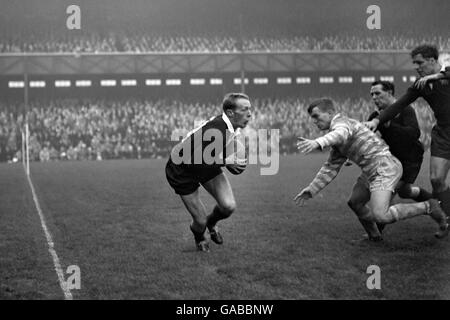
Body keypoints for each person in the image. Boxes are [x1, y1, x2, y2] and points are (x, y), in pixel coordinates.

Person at [294, 98, 448, 240]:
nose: (314, 121)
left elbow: (341, 133)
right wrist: (312, 189)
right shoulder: (336, 141)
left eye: (316, 116)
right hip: (371, 171)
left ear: (330, 113)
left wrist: (318, 142)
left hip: (385, 167)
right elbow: (331, 167)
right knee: (355, 202)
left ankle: (428, 206)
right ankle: (374, 236)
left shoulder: (342, 123)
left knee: (381, 215)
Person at [365, 45, 450, 217]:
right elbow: (399, 104)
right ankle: (447, 217)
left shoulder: (445, 74)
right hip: (443, 133)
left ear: (432, 60)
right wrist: (377, 120)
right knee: (436, 179)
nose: (416, 67)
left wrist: (438, 75)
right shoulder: (421, 84)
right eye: (414, 63)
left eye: (419, 63)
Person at [166, 93, 251, 252]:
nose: (249, 113)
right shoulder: (218, 127)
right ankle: (199, 236)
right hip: (182, 169)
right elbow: (195, 158)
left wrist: (234, 156)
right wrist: (227, 161)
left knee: (228, 206)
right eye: (244, 109)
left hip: (205, 162)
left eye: (250, 109)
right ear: (231, 113)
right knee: (200, 221)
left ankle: (212, 223)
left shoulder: (230, 127)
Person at [368, 80, 432, 202]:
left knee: (387, 193)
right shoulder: (375, 116)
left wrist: (390, 126)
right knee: (405, 192)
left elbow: (414, 134)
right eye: (372, 95)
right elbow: (365, 137)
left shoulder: (406, 110)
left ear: (389, 93)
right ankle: (436, 201)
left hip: (410, 158)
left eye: (377, 93)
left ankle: (379, 219)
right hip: (394, 157)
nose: (374, 98)